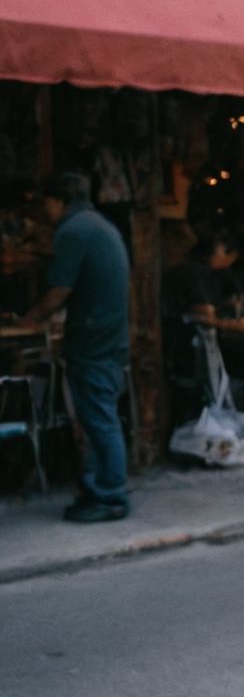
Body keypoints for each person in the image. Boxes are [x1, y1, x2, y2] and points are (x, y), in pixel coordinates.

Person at [20, 171, 130, 522]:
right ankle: (100, 489)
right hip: (108, 337)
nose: (46, 212)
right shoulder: (100, 225)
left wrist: (29, 320)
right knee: (100, 418)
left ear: (57, 200)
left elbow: (59, 291)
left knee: (99, 420)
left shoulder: (72, 230)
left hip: (93, 340)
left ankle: (111, 494)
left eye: (46, 204)